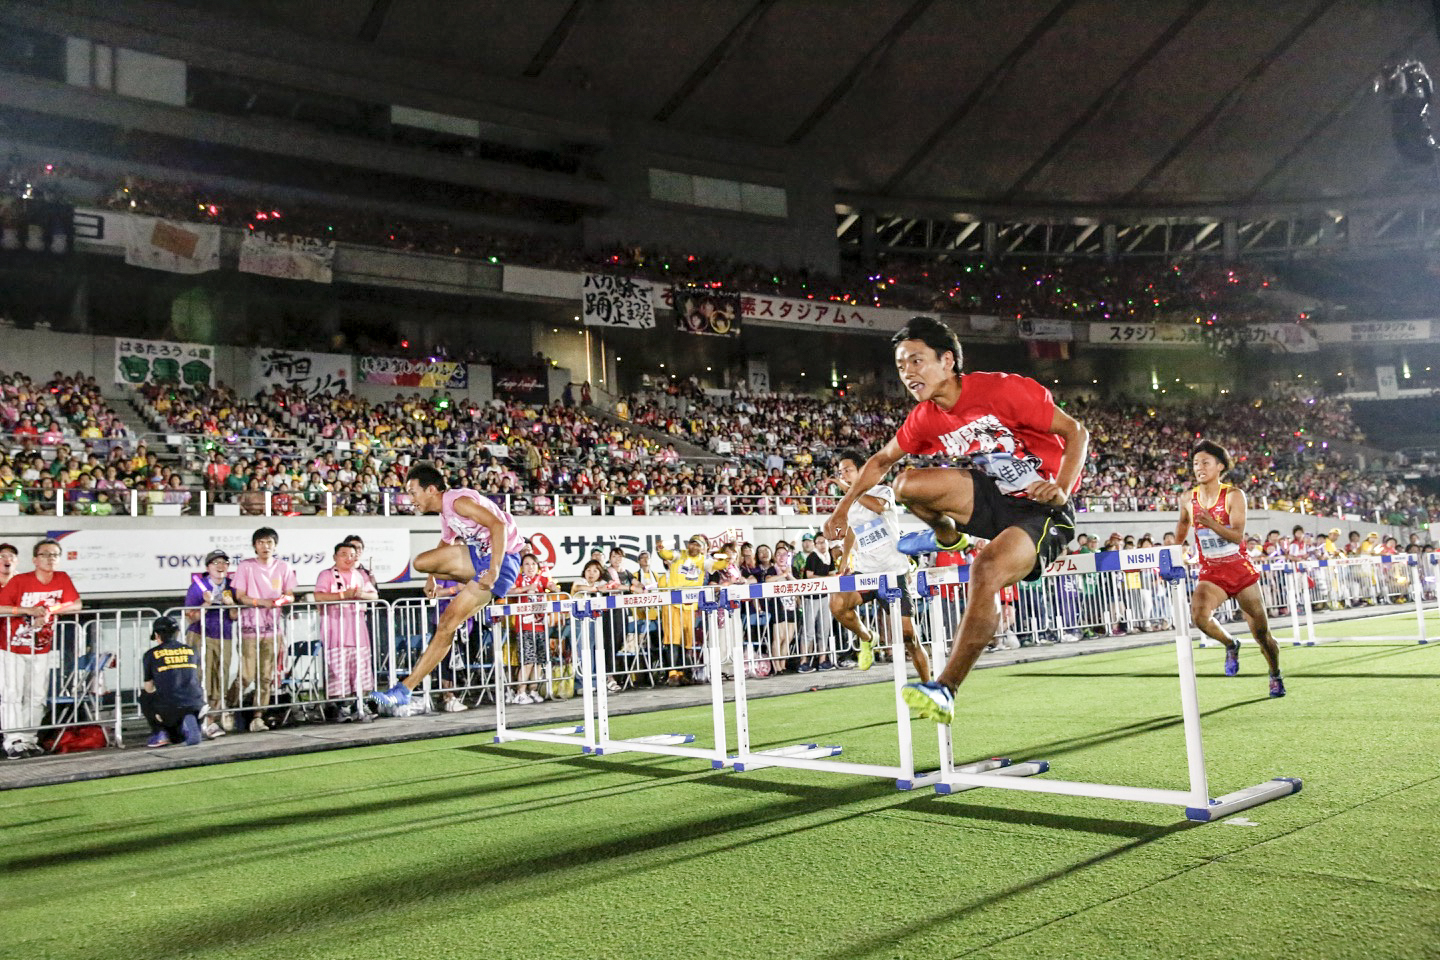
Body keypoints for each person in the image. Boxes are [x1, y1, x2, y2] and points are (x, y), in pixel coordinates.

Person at [824, 315, 1088, 724]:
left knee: (985, 570)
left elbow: (1077, 433)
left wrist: (1062, 488)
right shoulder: (926, 416)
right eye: (900, 366)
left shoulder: (1002, 389)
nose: (907, 373)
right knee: (906, 483)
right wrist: (841, 510)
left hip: (1042, 507)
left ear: (947, 361)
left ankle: (945, 689)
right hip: (993, 497)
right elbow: (879, 461)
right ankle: (946, 533)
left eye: (916, 361)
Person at [371, 462, 524, 715]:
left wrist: (494, 570)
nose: (411, 499)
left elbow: (499, 525)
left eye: (413, 492)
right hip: (479, 556)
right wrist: (432, 578)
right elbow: (445, 542)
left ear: (431, 490)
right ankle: (471, 581)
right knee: (422, 562)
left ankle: (404, 689)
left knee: (447, 624)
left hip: (503, 558)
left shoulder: (458, 501)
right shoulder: (446, 514)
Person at [1174, 439, 1285, 698]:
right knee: (1199, 616)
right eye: (1195, 463)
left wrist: (1211, 523)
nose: (1199, 468)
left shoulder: (1234, 495)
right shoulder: (1188, 498)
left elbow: (1237, 536)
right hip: (1211, 572)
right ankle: (1231, 643)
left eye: (1205, 462)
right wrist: (1174, 548)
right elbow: (1182, 524)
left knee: (1262, 634)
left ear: (1220, 466)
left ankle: (1275, 673)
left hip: (1239, 569)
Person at [828, 448, 931, 682]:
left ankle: (929, 685)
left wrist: (850, 491)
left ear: (862, 470)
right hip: (866, 570)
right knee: (837, 605)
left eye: (848, 470)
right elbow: (852, 530)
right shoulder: (850, 501)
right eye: (841, 471)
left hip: (894, 572)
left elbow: (878, 507)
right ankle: (866, 638)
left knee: (909, 637)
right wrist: (845, 560)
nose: (843, 474)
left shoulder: (882, 490)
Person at [0, 539, 84, 758]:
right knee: (12, 694)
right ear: (35, 559)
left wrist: (49, 610)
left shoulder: (62, 578)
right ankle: (13, 740)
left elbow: (76, 604)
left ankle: (29, 739)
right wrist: (27, 610)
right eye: (46, 555)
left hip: (41, 648)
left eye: (55, 555)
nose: (50, 559)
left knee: (36, 696)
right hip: (12, 647)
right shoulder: (20, 581)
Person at [231, 527, 297, 732]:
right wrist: (260, 602)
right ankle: (227, 708)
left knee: (266, 676)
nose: (265, 546)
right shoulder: (246, 566)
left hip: (273, 628)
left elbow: (290, 595)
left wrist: (280, 601)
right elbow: (240, 596)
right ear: (254, 546)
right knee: (247, 675)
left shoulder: (283, 566)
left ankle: (258, 717)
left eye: (269, 542)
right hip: (250, 627)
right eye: (260, 542)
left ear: (275, 545)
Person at [314, 541, 379, 720]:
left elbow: (374, 595)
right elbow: (318, 596)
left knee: (360, 668)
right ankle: (341, 707)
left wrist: (360, 595)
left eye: (351, 555)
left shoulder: (360, 575)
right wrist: (343, 596)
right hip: (335, 630)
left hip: (357, 631)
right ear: (335, 557)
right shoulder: (326, 575)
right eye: (343, 554)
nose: (348, 558)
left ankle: (360, 704)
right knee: (338, 669)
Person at [183, 549, 238, 738]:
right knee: (202, 678)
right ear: (208, 567)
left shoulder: (231, 585)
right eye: (216, 563)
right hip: (201, 635)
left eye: (224, 563)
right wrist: (206, 604)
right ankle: (202, 720)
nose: (221, 566)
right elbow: (191, 617)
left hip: (224, 635)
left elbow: (235, 615)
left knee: (221, 677)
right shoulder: (198, 587)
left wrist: (231, 604)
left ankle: (212, 719)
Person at [140, 616, 206, 748]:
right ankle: (189, 723)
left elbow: (148, 687)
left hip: (170, 708)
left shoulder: (151, 654)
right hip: (197, 703)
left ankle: (160, 733)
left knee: (144, 697)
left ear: (157, 635)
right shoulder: (192, 651)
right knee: (177, 737)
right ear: (177, 633)